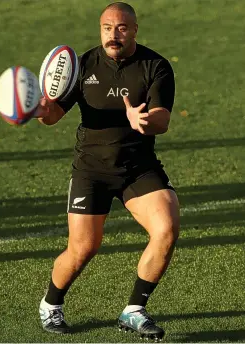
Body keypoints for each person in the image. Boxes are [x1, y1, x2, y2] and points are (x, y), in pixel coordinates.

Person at [36, 2, 180, 341]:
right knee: (83, 248)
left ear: (134, 29)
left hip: (138, 168)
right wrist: (41, 109)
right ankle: (51, 304)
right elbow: (53, 115)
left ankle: (134, 310)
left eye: (121, 28)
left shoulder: (155, 66)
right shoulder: (83, 65)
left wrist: (142, 121)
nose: (113, 35)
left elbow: (162, 119)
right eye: (106, 28)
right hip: (92, 170)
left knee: (167, 228)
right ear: (100, 29)